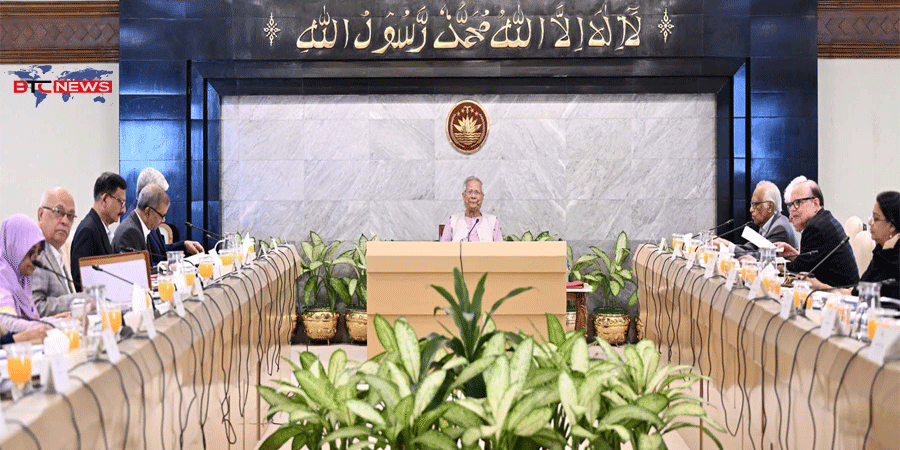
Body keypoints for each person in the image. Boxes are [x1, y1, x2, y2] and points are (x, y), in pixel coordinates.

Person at [805, 191, 899, 303]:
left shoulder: (892, 258)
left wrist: (820, 287)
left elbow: (861, 298)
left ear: (892, 226)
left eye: (876, 218)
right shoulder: (880, 250)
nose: (870, 222)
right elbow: (856, 292)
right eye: (871, 216)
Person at [775, 177, 859, 288]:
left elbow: (799, 272)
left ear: (815, 203)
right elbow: (810, 263)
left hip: (840, 296)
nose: (792, 210)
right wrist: (792, 253)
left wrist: (765, 264)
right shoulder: (824, 220)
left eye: (798, 203)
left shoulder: (816, 228)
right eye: (791, 205)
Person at [0, 214, 55, 339]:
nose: (36, 260)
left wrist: (56, 321)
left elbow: (26, 320)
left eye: (38, 252)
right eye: (31, 252)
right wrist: (49, 326)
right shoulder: (2, 277)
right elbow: (6, 323)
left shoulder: (22, 279)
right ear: (13, 248)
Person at [70, 172, 127, 291]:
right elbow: (81, 283)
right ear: (105, 199)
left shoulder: (98, 227)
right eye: (120, 202)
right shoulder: (88, 230)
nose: (123, 209)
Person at [134, 168, 203, 262]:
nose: (164, 198)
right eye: (160, 194)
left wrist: (184, 245)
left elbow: (160, 252)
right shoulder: (136, 222)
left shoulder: (151, 215)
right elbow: (143, 264)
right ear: (147, 192)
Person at [716, 180, 798, 258]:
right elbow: (750, 248)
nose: (751, 209)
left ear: (769, 207)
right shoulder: (767, 224)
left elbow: (761, 257)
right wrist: (724, 244)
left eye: (755, 204)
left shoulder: (780, 227)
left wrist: (727, 245)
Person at [32, 187, 81, 316]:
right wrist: (79, 300)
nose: (65, 221)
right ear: (40, 214)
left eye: (70, 216)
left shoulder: (57, 251)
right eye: (58, 211)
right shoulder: (35, 253)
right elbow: (36, 307)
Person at [439, 176, 503, 242]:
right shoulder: (453, 220)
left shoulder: (492, 221)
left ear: (482, 197)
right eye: (469, 192)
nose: (473, 196)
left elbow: (501, 250)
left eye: (477, 192)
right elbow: (442, 249)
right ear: (463, 196)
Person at [112, 184, 169, 257]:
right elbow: (133, 268)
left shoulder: (140, 227)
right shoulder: (130, 233)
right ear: (147, 211)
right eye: (162, 215)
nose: (163, 220)